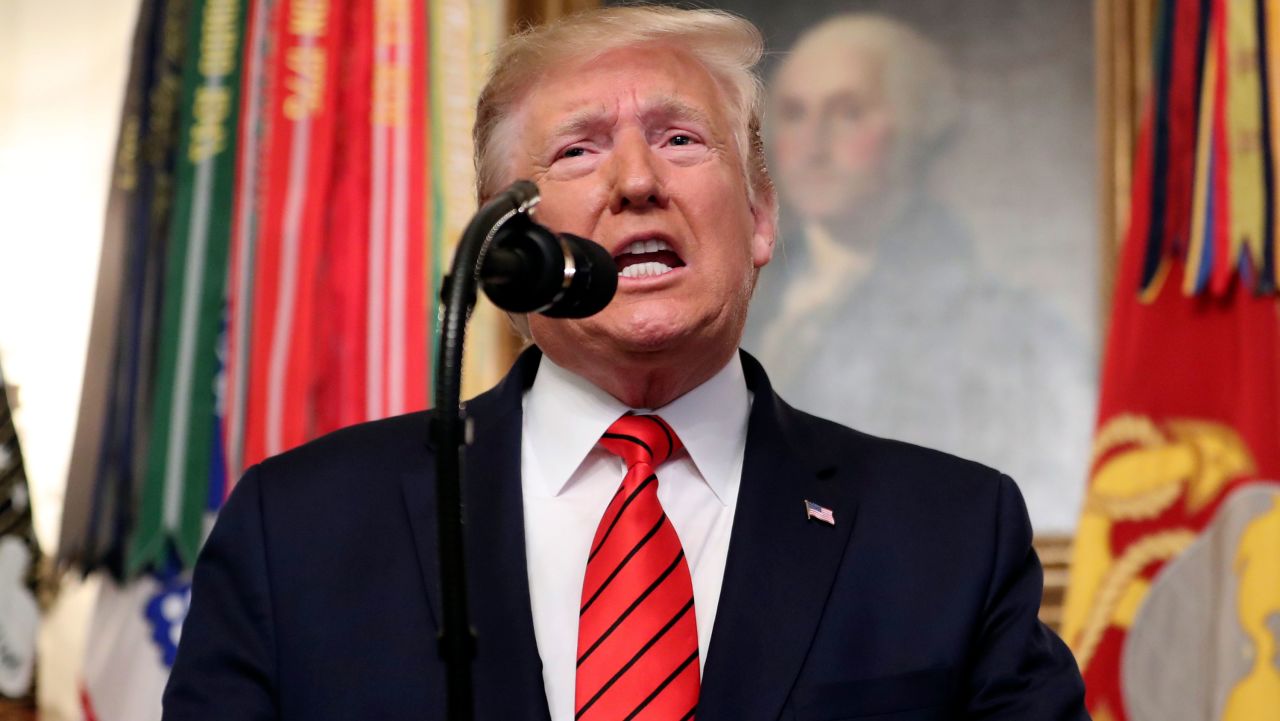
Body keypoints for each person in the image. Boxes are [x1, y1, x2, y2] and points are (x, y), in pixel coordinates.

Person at [163, 7, 1088, 720]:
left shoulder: (949, 534)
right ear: (504, 242)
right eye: (578, 149)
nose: (637, 180)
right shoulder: (300, 531)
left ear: (762, 216)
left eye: (681, 139)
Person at [745, 14, 1094, 531]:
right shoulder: (740, 298)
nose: (814, 143)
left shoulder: (1009, 329)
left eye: (848, 113)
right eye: (795, 114)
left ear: (914, 130)